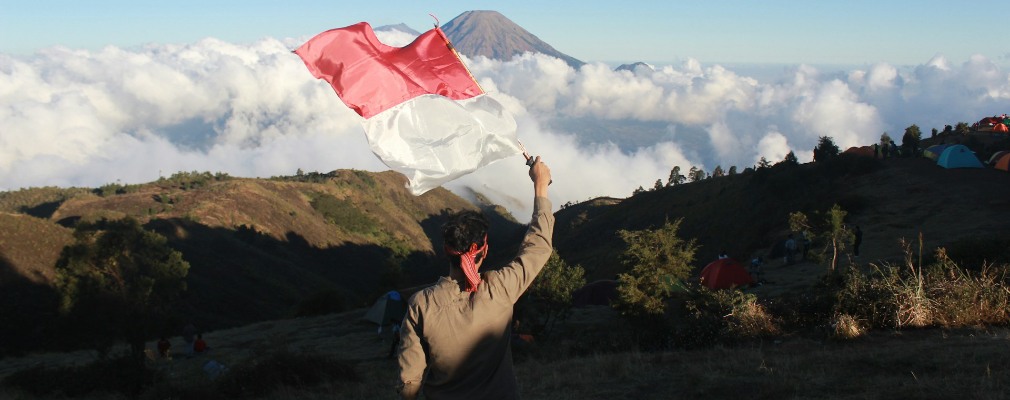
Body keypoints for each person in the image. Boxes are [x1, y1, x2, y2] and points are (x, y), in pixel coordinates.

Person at [396, 156, 553, 400]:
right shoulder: (500, 290)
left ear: (446, 250)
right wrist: (540, 185)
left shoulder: (421, 305)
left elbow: (410, 381)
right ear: (485, 250)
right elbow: (538, 247)